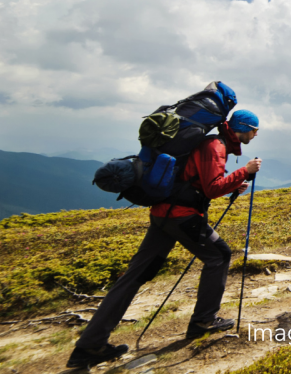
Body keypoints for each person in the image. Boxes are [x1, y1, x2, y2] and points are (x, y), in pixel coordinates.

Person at [66, 111, 262, 369]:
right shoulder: (215, 146)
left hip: (163, 214)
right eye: (255, 130)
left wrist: (234, 183)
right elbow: (212, 188)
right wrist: (244, 172)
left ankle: (89, 345)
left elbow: (199, 181)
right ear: (244, 128)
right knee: (219, 255)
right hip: (182, 217)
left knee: (135, 275)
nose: (256, 134)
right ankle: (203, 321)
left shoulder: (211, 144)